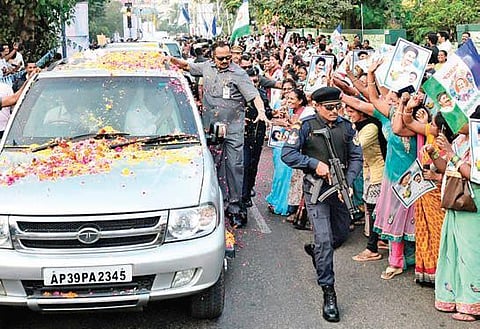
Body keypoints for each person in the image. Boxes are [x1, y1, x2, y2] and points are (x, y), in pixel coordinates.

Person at [281, 86, 363, 323]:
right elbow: (288, 154)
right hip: (316, 190)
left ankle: (318, 252)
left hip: (341, 190)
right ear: (316, 106)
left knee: (338, 236)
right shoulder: (305, 126)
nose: (335, 111)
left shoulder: (346, 126)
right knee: (325, 239)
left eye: (338, 106)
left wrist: (347, 182)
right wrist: (314, 164)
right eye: (329, 108)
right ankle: (328, 291)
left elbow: (356, 156)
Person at [169, 41, 269, 229]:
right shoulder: (206, 67)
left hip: (233, 130)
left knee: (234, 167)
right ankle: (214, 205)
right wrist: (168, 59)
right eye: (221, 58)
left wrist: (261, 112)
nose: (225, 61)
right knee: (211, 166)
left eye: (228, 58)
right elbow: (185, 65)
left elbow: (254, 95)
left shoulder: (238, 73)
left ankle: (236, 209)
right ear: (212, 57)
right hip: (210, 130)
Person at [426, 108, 480, 323]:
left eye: (461, 118)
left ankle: (473, 304)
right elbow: (447, 168)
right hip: (453, 202)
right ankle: (454, 297)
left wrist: (452, 154)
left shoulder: (477, 141)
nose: (456, 123)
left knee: (471, 253)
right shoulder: (458, 140)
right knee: (453, 251)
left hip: (473, 203)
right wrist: (435, 154)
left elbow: (474, 174)